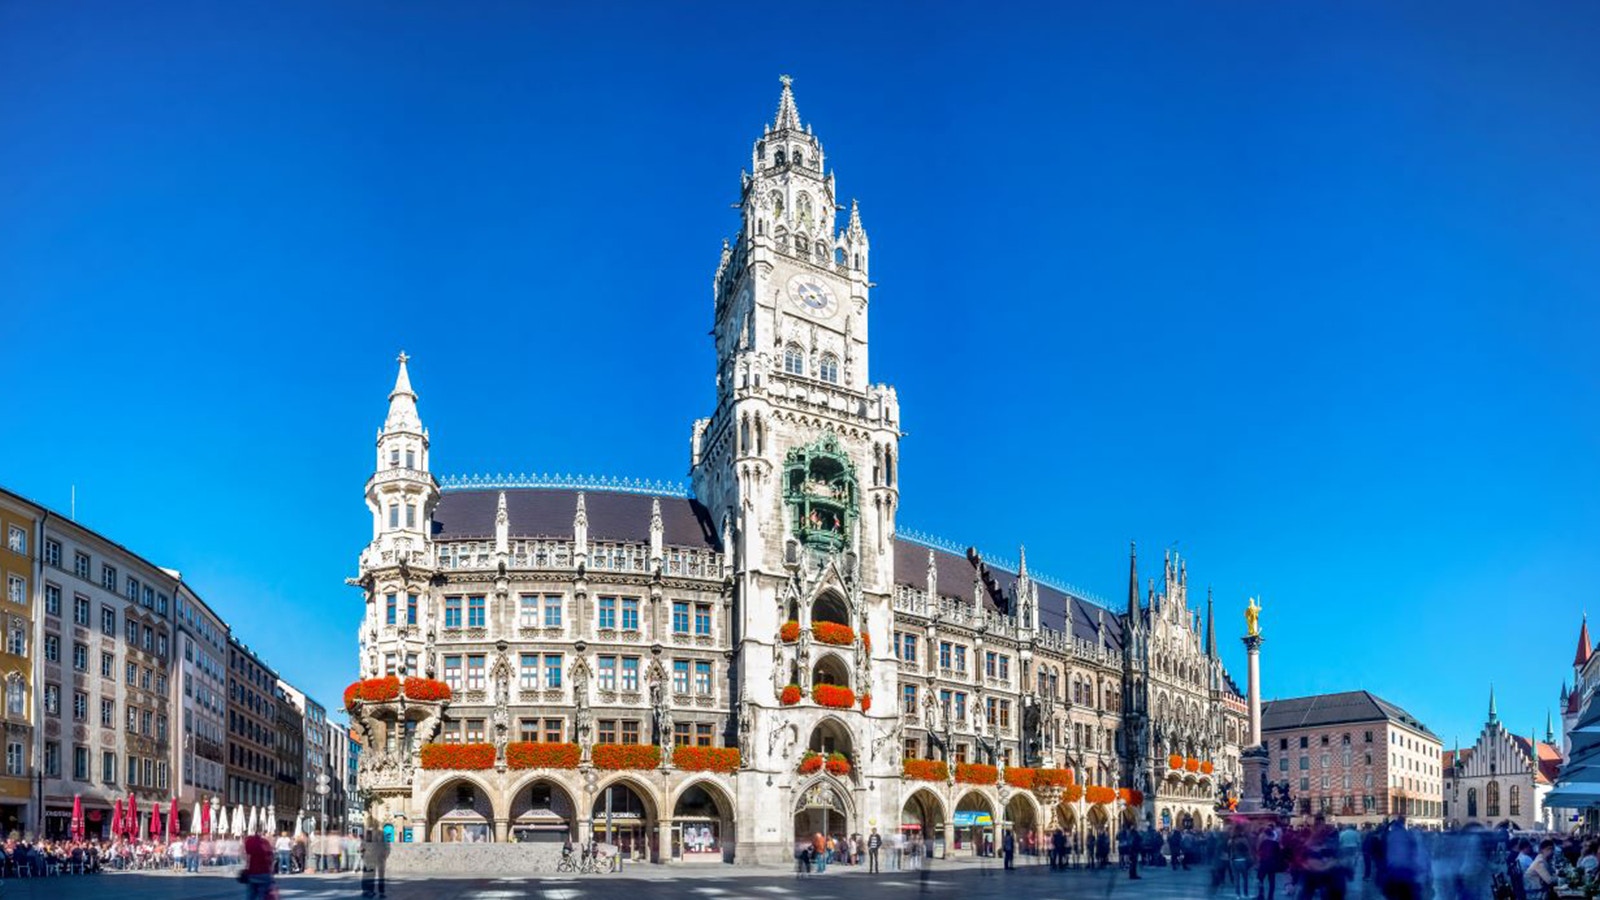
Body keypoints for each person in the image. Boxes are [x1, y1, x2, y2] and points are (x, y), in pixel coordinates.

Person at [242, 828, 275, 900]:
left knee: (250, 896)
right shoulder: (265, 843)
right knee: (263, 895)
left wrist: (246, 868)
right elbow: (270, 859)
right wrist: (271, 873)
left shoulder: (250, 842)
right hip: (264, 872)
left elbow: (247, 857)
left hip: (252, 872)